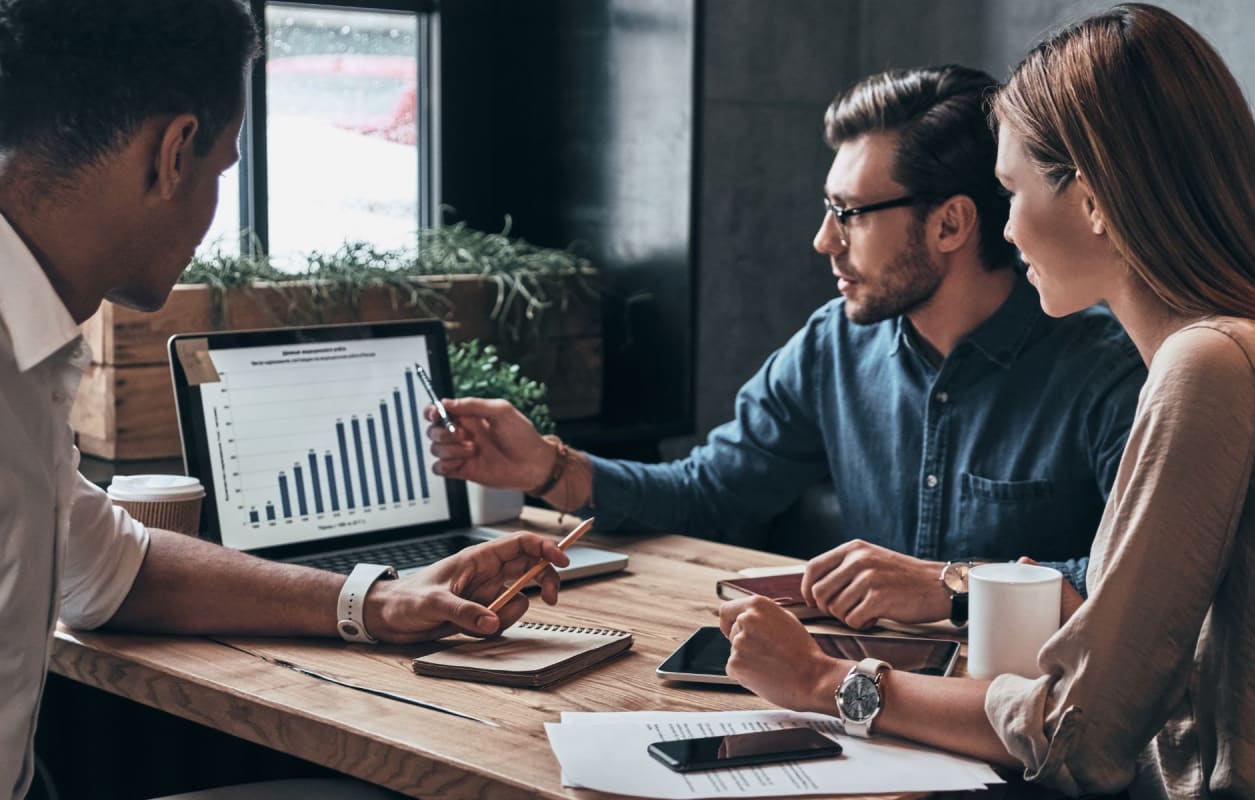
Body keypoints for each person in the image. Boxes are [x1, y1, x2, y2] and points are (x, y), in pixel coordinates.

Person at [0, 3, 569, 798]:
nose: (213, 215)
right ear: (171, 154)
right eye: (224, 169)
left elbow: (110, 570)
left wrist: (380, 599)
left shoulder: (29, 352)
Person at [720, 4, 1255, 796]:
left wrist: (823, 683)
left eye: (1010, 193)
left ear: (1091, 198)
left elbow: (1081, 735)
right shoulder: (1247, 347)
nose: (1005, 230)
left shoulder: (1206, 366)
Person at [427, 65, 1145, 629]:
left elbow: (1138, 589)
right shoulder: (832, 347)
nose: (823, 240)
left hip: (1029, 732)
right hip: (860, 705)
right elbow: (710, 495)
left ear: (951, 225)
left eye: (849, 215)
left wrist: (951, 584)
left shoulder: (1107, 372)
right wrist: (548, 466)